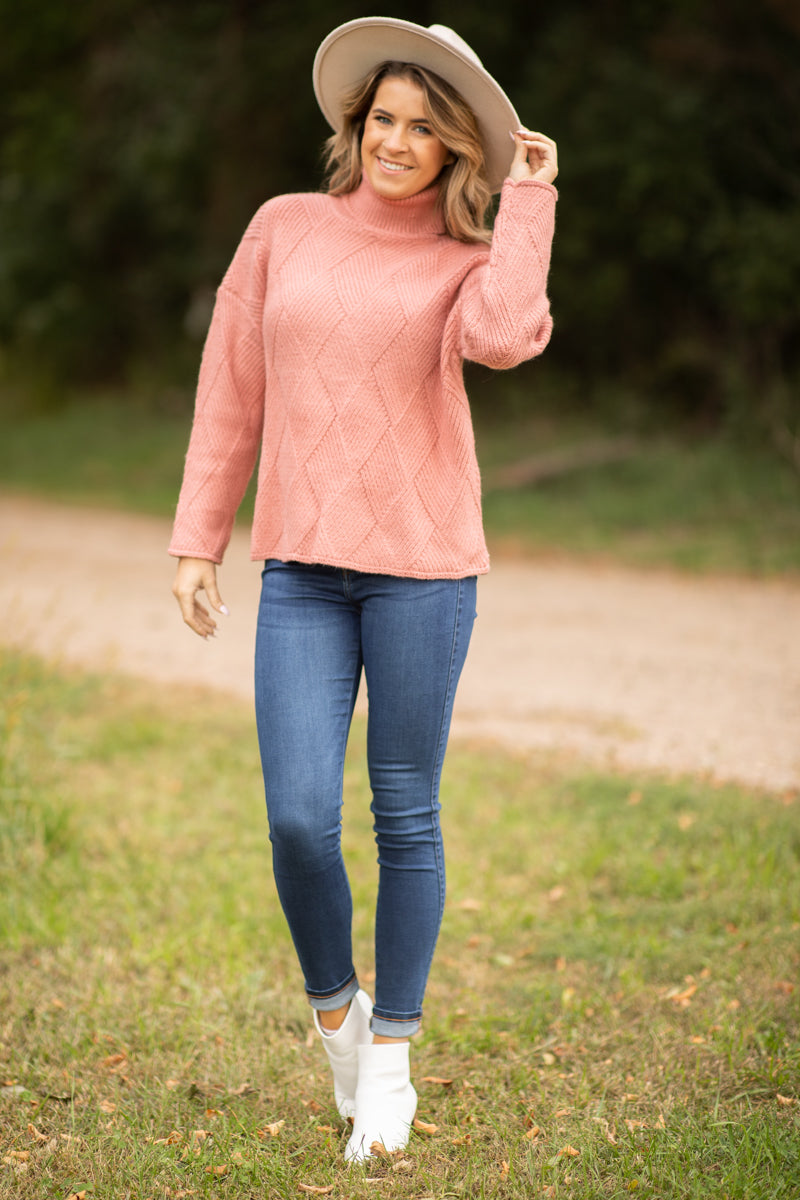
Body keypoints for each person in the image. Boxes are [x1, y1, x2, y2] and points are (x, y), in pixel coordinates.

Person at [170, 16, 558, 1163]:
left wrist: (529, 202)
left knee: (404, 814)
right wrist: (200, 535)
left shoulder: (462, 264)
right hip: (299, 567)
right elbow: (230, 383)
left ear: (453, 152)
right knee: (297, 817)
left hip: (422, 573)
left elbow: (507, 334)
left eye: (422, 128)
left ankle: (390, 1055)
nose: (395, 142)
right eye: (381, 119)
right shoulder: (282, 229)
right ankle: (336, 1011)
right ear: (355, 125)